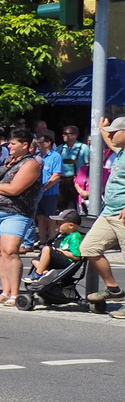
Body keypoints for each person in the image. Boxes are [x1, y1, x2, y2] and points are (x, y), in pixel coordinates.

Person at [0, 129, 40, 306]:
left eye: (12, 143)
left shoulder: (30, 164)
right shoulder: (8, 161)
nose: (8, 146)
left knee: (11, 251)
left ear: (25, 145)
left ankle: (15, 293)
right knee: (0, 252)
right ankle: (5, 291)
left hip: (16, 212)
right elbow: (0, 185)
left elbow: (14, 189)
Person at [80, 116, 125, 307]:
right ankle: (113, 289)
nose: (111, 135)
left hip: (122, 214)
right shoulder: (121, 152)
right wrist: (103, 128)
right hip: (109, 212)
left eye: (116, 132)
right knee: (88, 247)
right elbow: (110, 140)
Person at [33, 209, 83, 282]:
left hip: (68, 262)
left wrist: (60, 251)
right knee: (35, 260)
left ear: (71, 225)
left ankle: (38, 274)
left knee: (47, 249)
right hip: (60, 260)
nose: (57, 225)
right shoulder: (63, 235)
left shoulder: (75, 236)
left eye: (60, 223)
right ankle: (46, 273)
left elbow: (76, 256)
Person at [34, 133, 66, 248]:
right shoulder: (37, 157)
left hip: (50, 192)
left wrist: (45, 187)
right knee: (40, 217)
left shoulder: (55, 156)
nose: (38, 145)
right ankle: (42, 240)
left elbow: (56, 175)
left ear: (47, 143)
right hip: (38, 192)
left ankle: (51, 240)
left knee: (50, 217)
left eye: (40, 142)